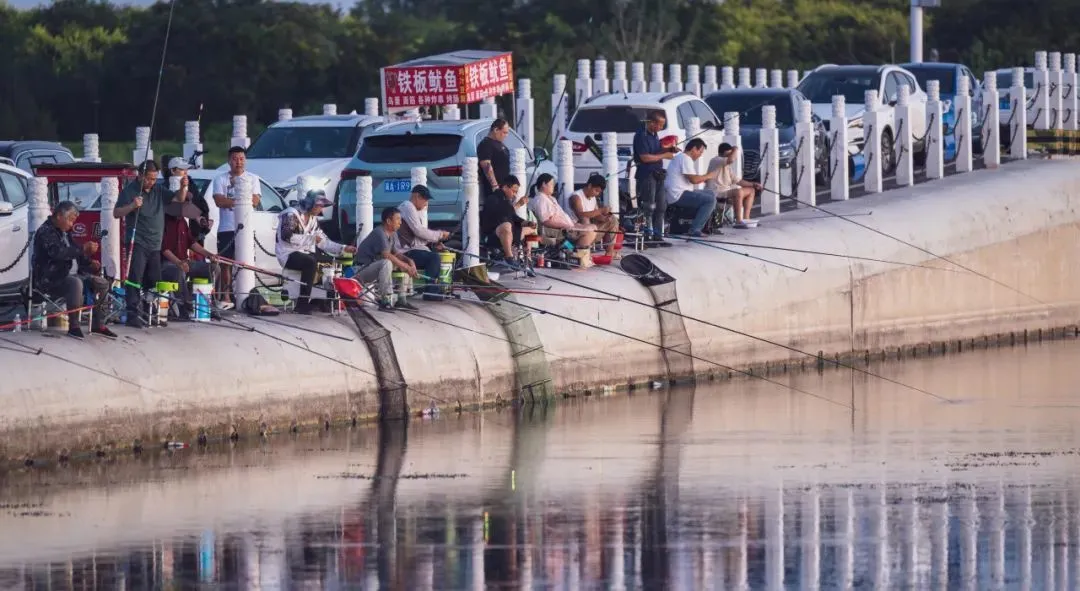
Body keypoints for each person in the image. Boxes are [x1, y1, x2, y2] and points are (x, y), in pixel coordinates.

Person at [32, 201, 116, 339]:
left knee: (102, 283)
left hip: (73, 274)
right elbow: (58, 253)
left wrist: (90, 263)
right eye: (70, 220)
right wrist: (83, 248)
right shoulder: (45, 231)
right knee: (75, 283)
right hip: (52, 278)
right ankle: (74, 326)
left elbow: (76, 254)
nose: (72, 224)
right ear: (59, 216)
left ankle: (98, 324)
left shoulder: (65, 232)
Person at [115, 159, 180, 328]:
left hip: (155, 244)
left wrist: (184, 186)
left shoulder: (158, 189)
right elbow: (116, 213)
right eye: (149, 178)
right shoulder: (130, 191)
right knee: (134, 278)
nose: (151, 182)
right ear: (140, 175)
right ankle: (132, 313)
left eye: (154, 178)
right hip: (137, 241)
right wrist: (132, 205)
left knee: (153, 280)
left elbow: (177, 198)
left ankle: (149, 310)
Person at [275, 190, 357, 315]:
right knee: (310, 262)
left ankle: (322, 300)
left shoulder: (313, 220)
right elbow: (287, 237)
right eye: (318, 205)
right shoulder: (291, 214)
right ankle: (302, 304)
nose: (320, 209)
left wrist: (343, 248)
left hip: (304, 252)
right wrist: (311, 239)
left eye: (321, 206)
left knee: (329, 262)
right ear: (310, 203)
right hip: (287, 254)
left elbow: (323, 242)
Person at [212, 146, 262, 309]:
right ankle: (226, 297)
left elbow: (254, 201)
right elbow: (219, 201)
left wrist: (238, 201)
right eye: (235, 159)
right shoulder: (220, 179)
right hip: (227, 227)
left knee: (246, 261)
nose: (238, 162)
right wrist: (241, 201)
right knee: (226, 263)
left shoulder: (253, 178)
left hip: (246, 228)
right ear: (229, 161)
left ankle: (247, 294)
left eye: (241, 158)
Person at [353, 207, 417, 313]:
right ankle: (385, 301)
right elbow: (386, 255)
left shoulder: (391, 234)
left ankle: (401, 299)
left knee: (404, 263)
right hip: (360, 270)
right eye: (397, 219)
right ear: (388, 221)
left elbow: (396, 253)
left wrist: (409, 261)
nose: (400, 223)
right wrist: (406, 267)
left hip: (372, 268)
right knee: (386, 262)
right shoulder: (379, 233)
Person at [162, 198, 216, 321]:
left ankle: (209, 305)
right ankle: (185, 307)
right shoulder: (164, 221)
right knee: (178, 271)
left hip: (184, 261)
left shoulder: (182, 222)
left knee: (212, 268)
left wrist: (209, 254)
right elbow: (164, 249)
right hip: (167, 264)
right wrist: (179, 262)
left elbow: (191, 243)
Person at [528, 173, 598, 268]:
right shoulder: (540, 199)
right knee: (590, 231)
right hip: (558, 231)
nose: (553, 186)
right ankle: (578, 256)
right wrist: (565, 226)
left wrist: (573, 224)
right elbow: (545, 221)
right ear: (544, 184)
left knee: (592, 227)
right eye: (552, 184)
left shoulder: (551, 198)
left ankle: (578, 254)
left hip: (567, 227)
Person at [397, 184, 451, 301]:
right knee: (433, 258)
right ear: (417, 197)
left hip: (411, 249)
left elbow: (416, 236)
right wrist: (440, 234)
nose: (426, 204)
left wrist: (432, 243)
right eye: (425, 200)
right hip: (405, 252)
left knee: (434, 255)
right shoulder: (408, 206)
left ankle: (433, 288)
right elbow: (419, 231)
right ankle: (431, 292)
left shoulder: (410, 208)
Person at [632, 110, 678, 247]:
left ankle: (658, 236)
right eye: (660, 124)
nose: (661, 128)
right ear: (651, 122)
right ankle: (648, 236)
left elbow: (655, 152)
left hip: (659, 175)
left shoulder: (654, 134)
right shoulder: (641, 135)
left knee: (661, 206)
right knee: (649, 206)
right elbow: (645, 157)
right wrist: (664, 156)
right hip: (647, 175)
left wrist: (669, 150)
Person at [663, 138, 720, 237]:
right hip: (678, 195)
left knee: (710, 193)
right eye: (700, 152)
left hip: (681, 192)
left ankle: (708, 224)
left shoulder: (681, 156)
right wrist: (709, 176)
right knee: (710, 200)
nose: (700, 155)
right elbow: (694, 180)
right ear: (694, 149)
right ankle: (695, 229)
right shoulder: (685, 158)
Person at [480, 175, 536, 272]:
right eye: (513, 191)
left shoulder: (507, 202)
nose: (514, 194)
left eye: (516, 192)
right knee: (506, 226)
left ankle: (527, 257)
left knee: (531, 229)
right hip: (493, 234)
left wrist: (528, 223)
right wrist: (518, 204)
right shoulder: (493, 198)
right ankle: (509, 257)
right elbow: (502, 215)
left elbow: (514, 217)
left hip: (510, 232)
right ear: (505, 187)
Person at [706, 143, 762, 229]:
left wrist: (754, 184)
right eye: (729, 153)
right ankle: (738, 221)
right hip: (716, 191)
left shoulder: (727, 165)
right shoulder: (716, 160)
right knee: (738, 191)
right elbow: (731, 159)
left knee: (751, 190)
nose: (731, 155)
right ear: (723, 153)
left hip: (726, 191)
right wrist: (735, 149)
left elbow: (738, 181)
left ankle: (746, 219)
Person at [569, 173, 620, 258]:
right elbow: (581, 215)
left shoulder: (593, 198)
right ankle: (582, 250)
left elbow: (596, 215)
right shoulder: (576, 197)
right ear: (589, 185)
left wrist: (605, 218)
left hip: (591, 229)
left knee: (613, 219)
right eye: (596, 190)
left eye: (599, 192)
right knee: (585, 220)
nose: (597, 194)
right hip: (576, 231)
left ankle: (609, 252)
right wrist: (600, 210)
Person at [476, 118, 511, 197]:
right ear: (496, 130)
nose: (506, 135)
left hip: (505, 187)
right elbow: (486, 165)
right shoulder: (486, 144)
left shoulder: (499, 143)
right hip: (494, 190)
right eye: (504, 132)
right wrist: (495, 186)